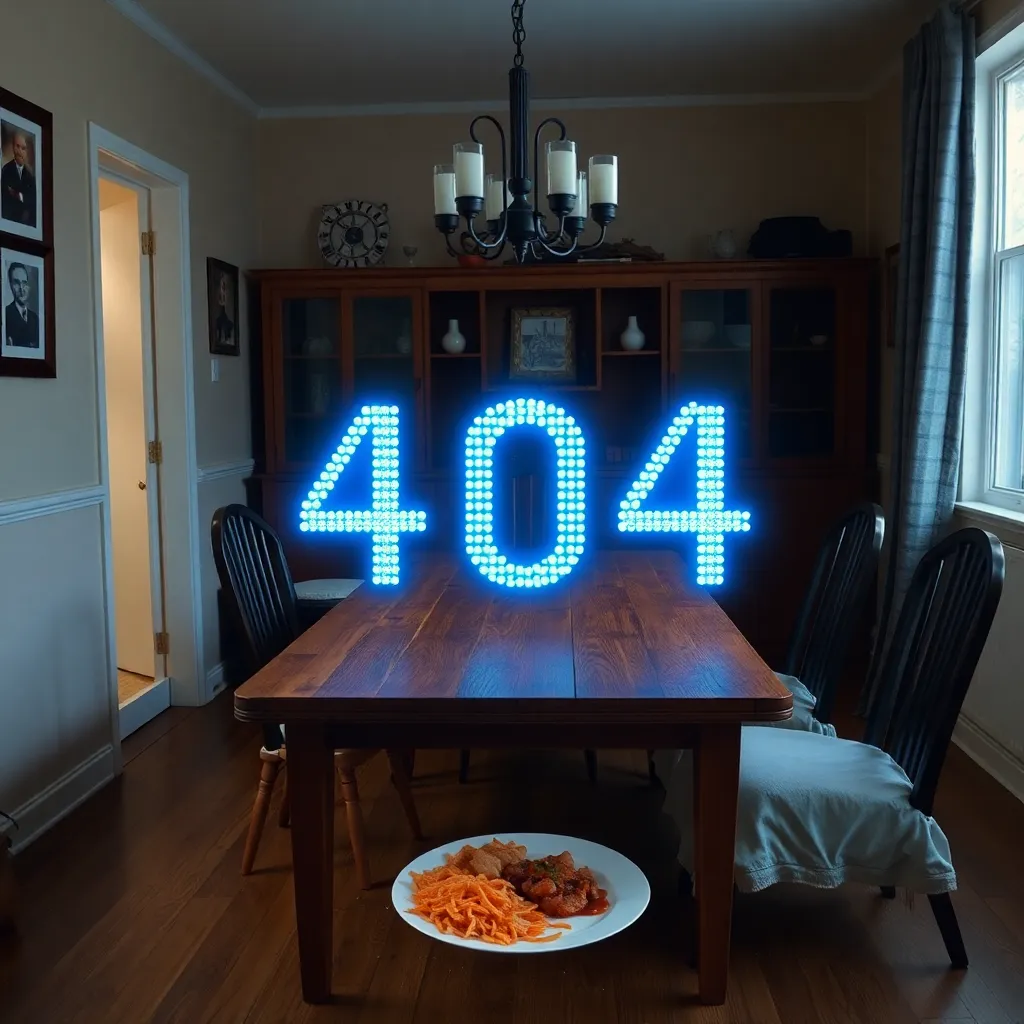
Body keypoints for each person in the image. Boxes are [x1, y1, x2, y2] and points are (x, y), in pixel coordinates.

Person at [1, 131, 36, 227]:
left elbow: (32, 202)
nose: (19, 152)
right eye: (17, 146)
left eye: (23, 148)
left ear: (28, 152)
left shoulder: (30, 178)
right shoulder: (5, 171)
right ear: (13, 147)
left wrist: (19, 195)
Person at [5, 262, 40, 348]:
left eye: (24, 283)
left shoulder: (35, 318)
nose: (21, 288)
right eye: (16, 282)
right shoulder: (5, 314)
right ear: (10, 284)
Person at [213, 271, 234, 347]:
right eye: (220, 287)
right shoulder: (216, 322)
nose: (222, 293)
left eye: (224, 287)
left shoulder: (230, 324)